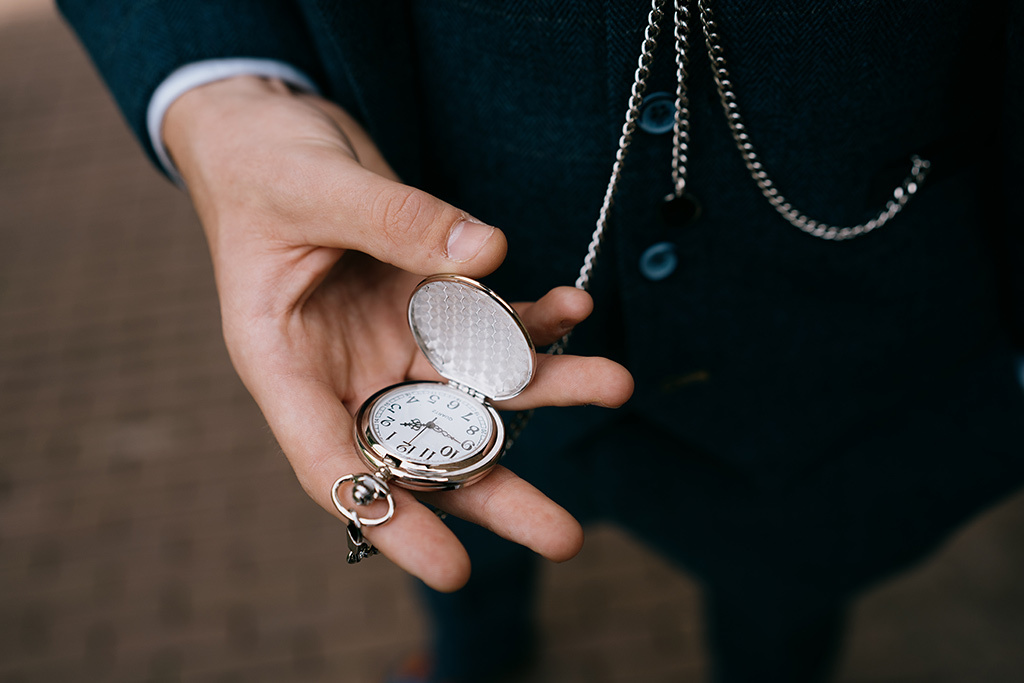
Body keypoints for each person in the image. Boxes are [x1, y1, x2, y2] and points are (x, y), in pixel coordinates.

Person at [58, 1, 1024, 681]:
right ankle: (475, 655)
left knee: (790, 589)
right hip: (427, 300)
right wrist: (226, 100)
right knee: (460, 545)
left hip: (845, 333)